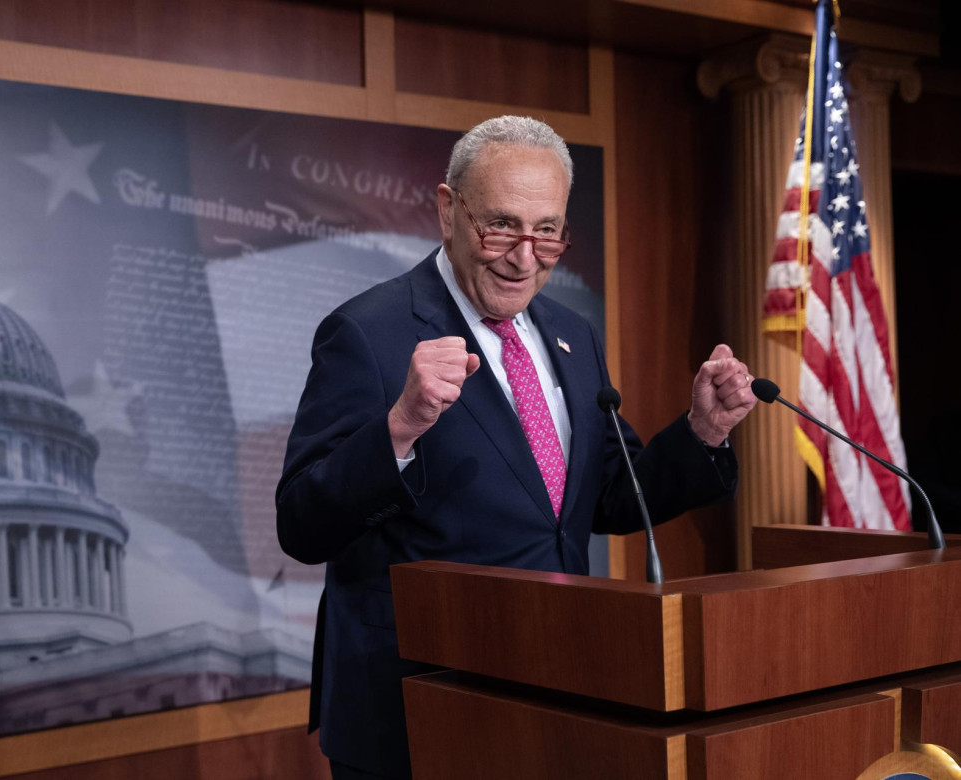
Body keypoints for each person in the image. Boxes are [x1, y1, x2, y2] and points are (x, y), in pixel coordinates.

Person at [276, 115, 756, 779]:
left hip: (554, 696)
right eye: (499, 225)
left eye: (548, 232)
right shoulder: (368, 333)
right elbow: (300, 521)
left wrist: (703, 430)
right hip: (414, 711)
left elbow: (606, 498)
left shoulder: (571, 335)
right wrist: (401, 427)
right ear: (449, 211)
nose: (524, 256)